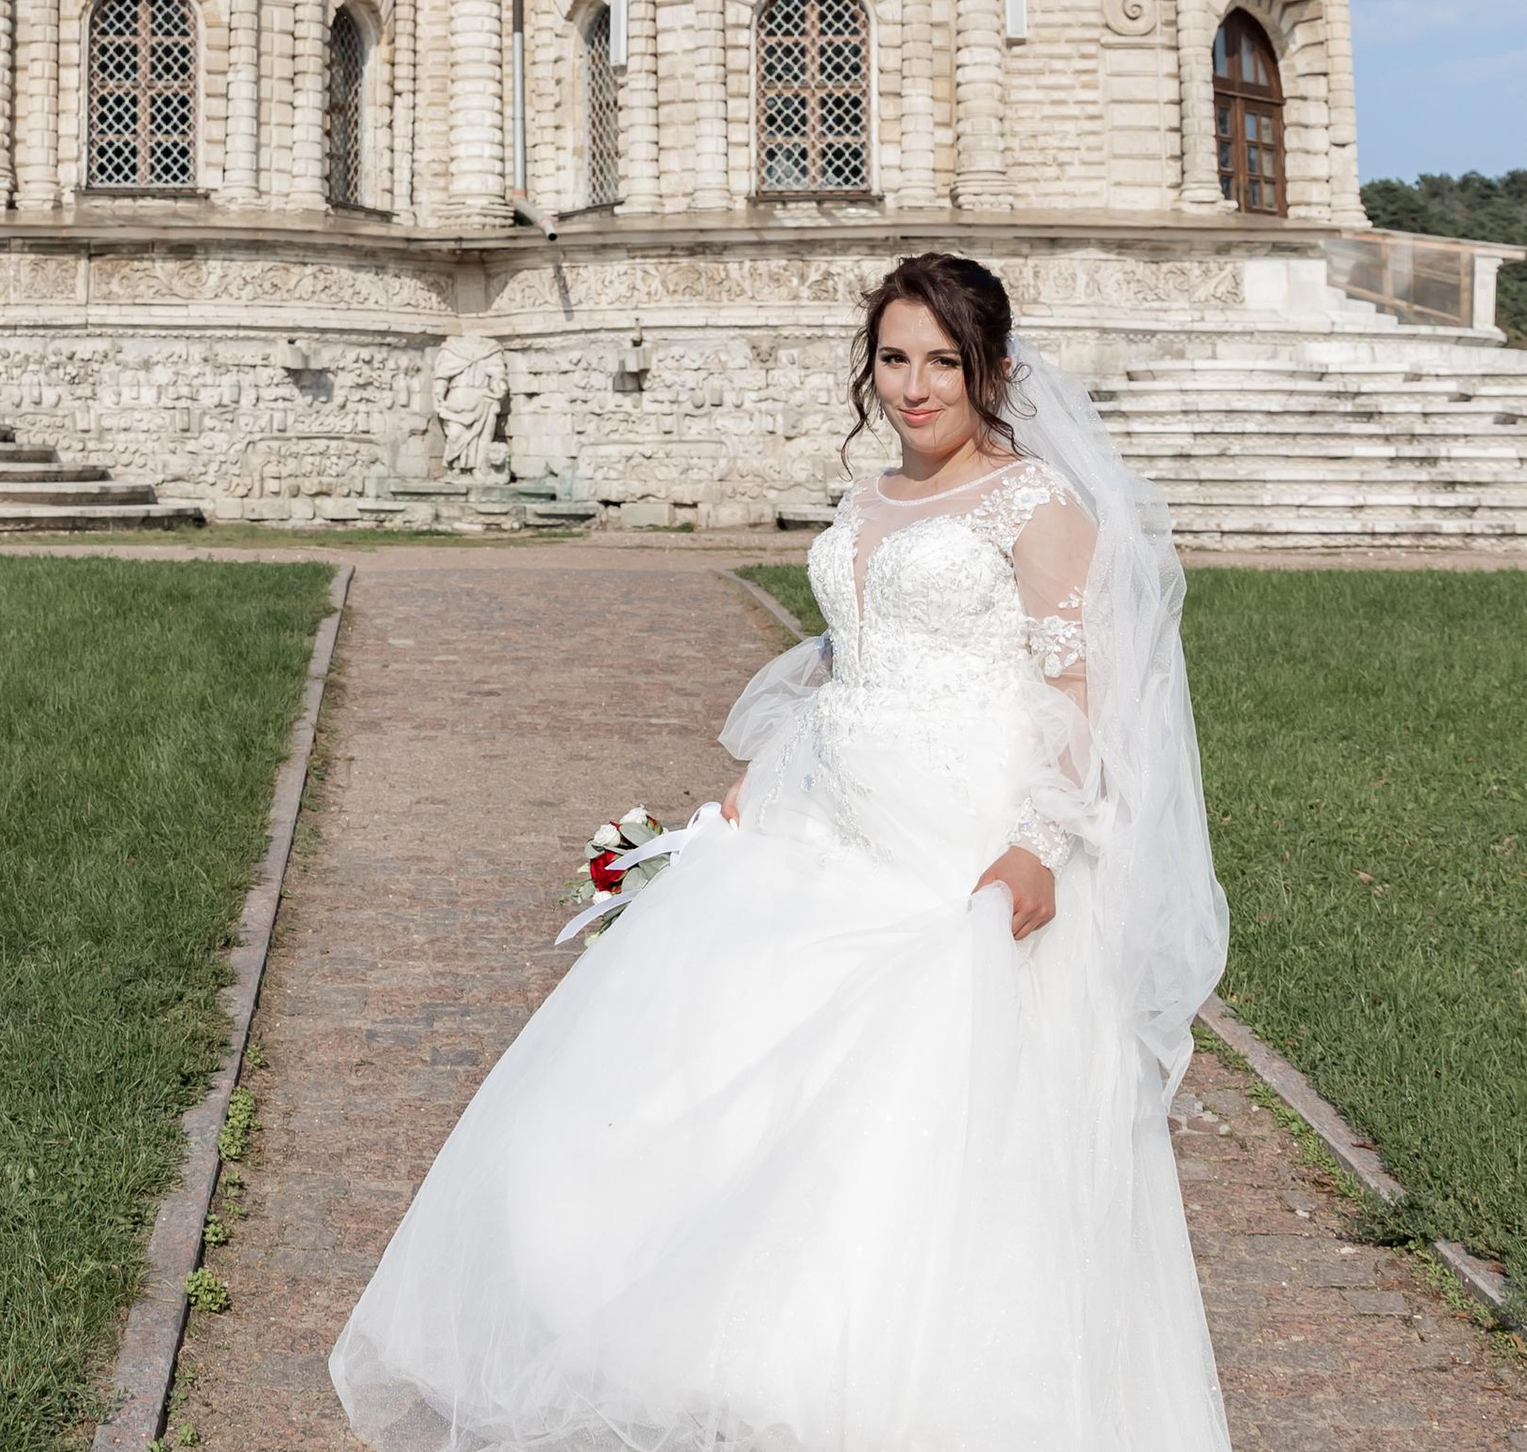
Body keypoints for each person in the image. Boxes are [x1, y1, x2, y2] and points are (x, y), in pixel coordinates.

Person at [331, 251, 1232, 1452]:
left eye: (943, 363)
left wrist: (1035, 847)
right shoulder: (868, 500)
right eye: (895, 358)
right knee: (712, 1082)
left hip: (954, 841)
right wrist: (743, 802)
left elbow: (1083, 693)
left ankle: (891, 1398)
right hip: (826, 819)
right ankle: (706, 1363)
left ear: (993, 372)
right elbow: (839, 667)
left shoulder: (1037, 506)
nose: (914, 387)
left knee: (910, 1119)